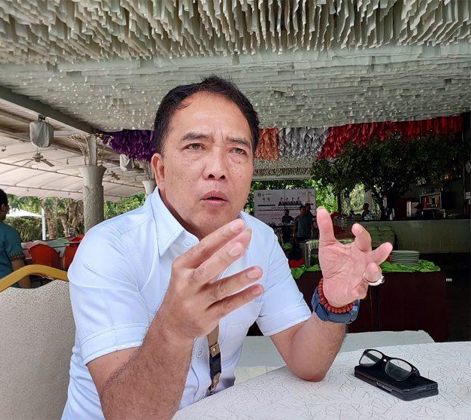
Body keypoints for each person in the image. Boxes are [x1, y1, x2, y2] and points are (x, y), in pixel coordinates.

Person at [62, 76, 392, 420]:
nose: (218, 169)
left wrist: (333, 305)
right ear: (160, 170)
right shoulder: (109, 249)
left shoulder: (260, 241)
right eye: (195, 146)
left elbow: (307, 363)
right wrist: (173, 329)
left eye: (237, 151)